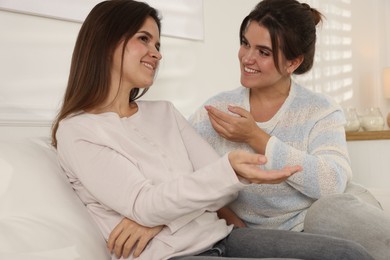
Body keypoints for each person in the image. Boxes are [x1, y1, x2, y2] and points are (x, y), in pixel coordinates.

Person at [51, 0, 374, 259]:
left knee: (350, 251)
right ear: (107, 43)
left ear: (293, 63)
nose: (157, 53)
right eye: (144, 39)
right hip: (179, 250)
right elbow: (154, 201)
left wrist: (253, 141)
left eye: (263, 52)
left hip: (226, 235)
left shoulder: (164, 112)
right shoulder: (79, 130)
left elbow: (220, 185)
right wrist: (164, 214)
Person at [188, 0, 390, 259]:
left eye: (263, 52)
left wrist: (255, 136)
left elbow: (332, 183)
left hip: (327, 220)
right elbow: (185, 176)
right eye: (245, 43)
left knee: (326, 212)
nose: (247, 57)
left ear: (293, 63)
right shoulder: (217, 111)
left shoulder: (320, 109)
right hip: (266, 238)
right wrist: (226, 216)